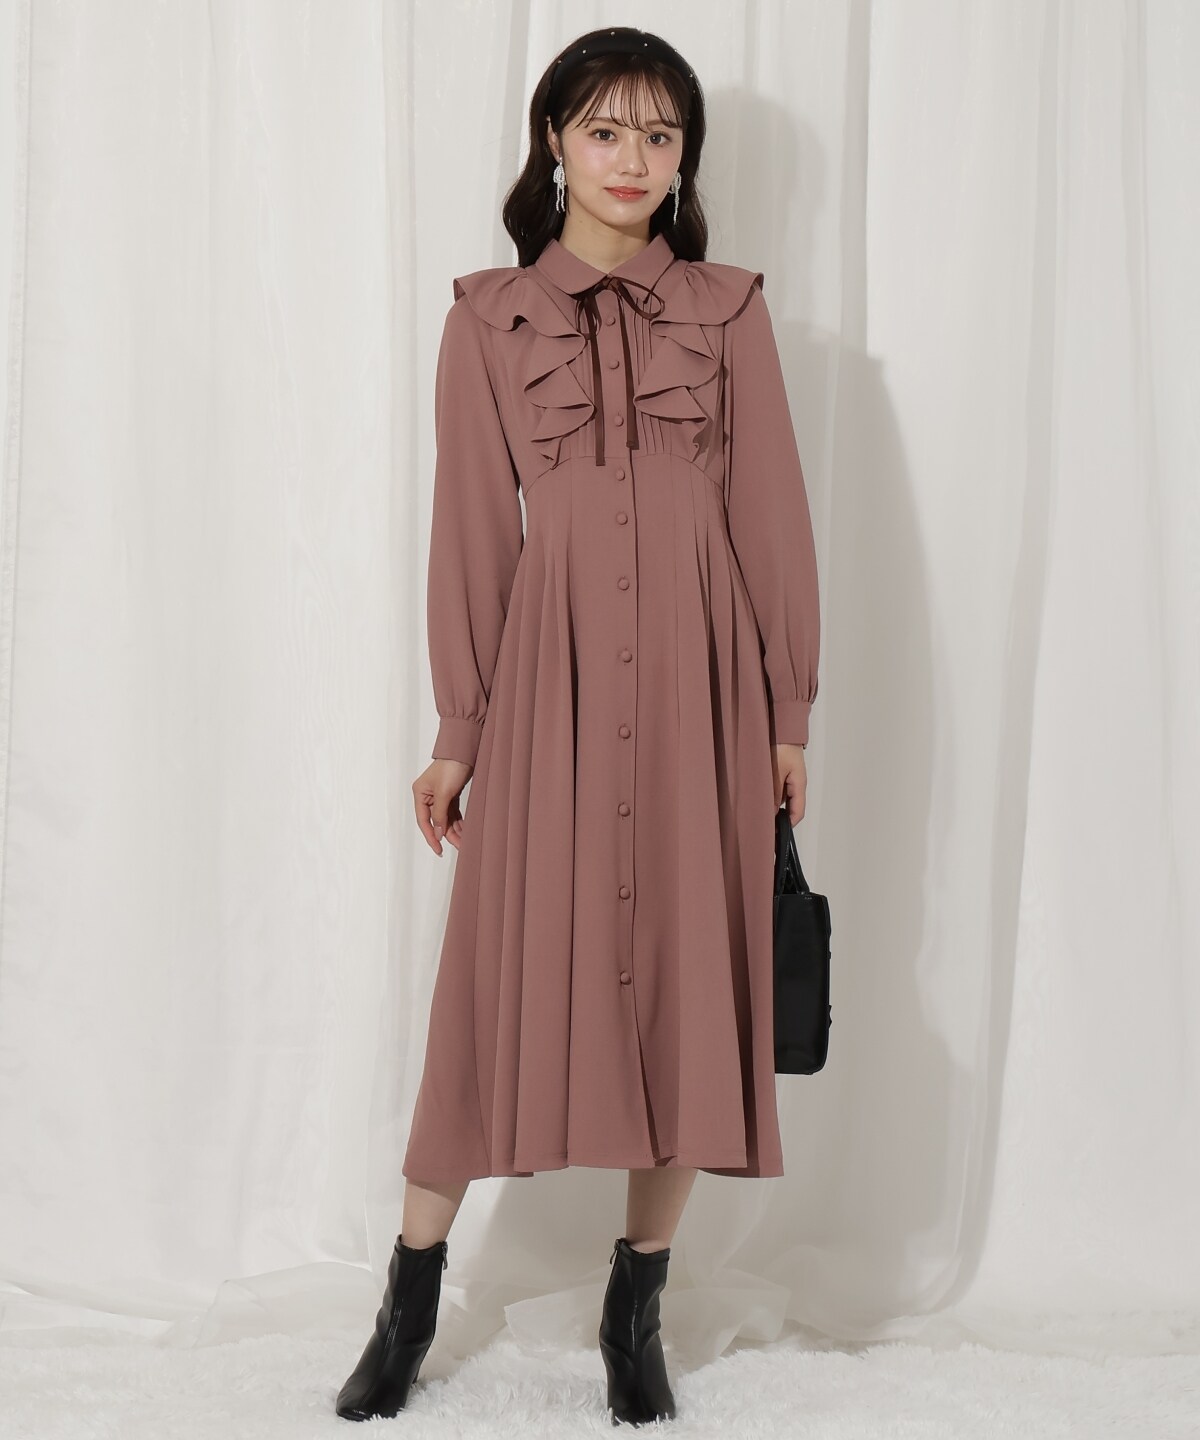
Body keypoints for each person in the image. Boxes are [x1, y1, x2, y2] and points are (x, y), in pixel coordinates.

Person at [336, 24, 821, 1427]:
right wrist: (459, 729)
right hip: (548, 687)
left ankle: (637, 1304)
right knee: (486, 984)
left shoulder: (729, 312)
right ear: (555, 142)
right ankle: (409, 1295)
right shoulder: (487, 320)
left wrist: (787, 708)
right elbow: (472, 537)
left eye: (661, 136)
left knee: (691, 977)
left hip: (703, 686)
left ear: (684, 159)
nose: (633, 160)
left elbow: (772, 515)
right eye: (606, 130)